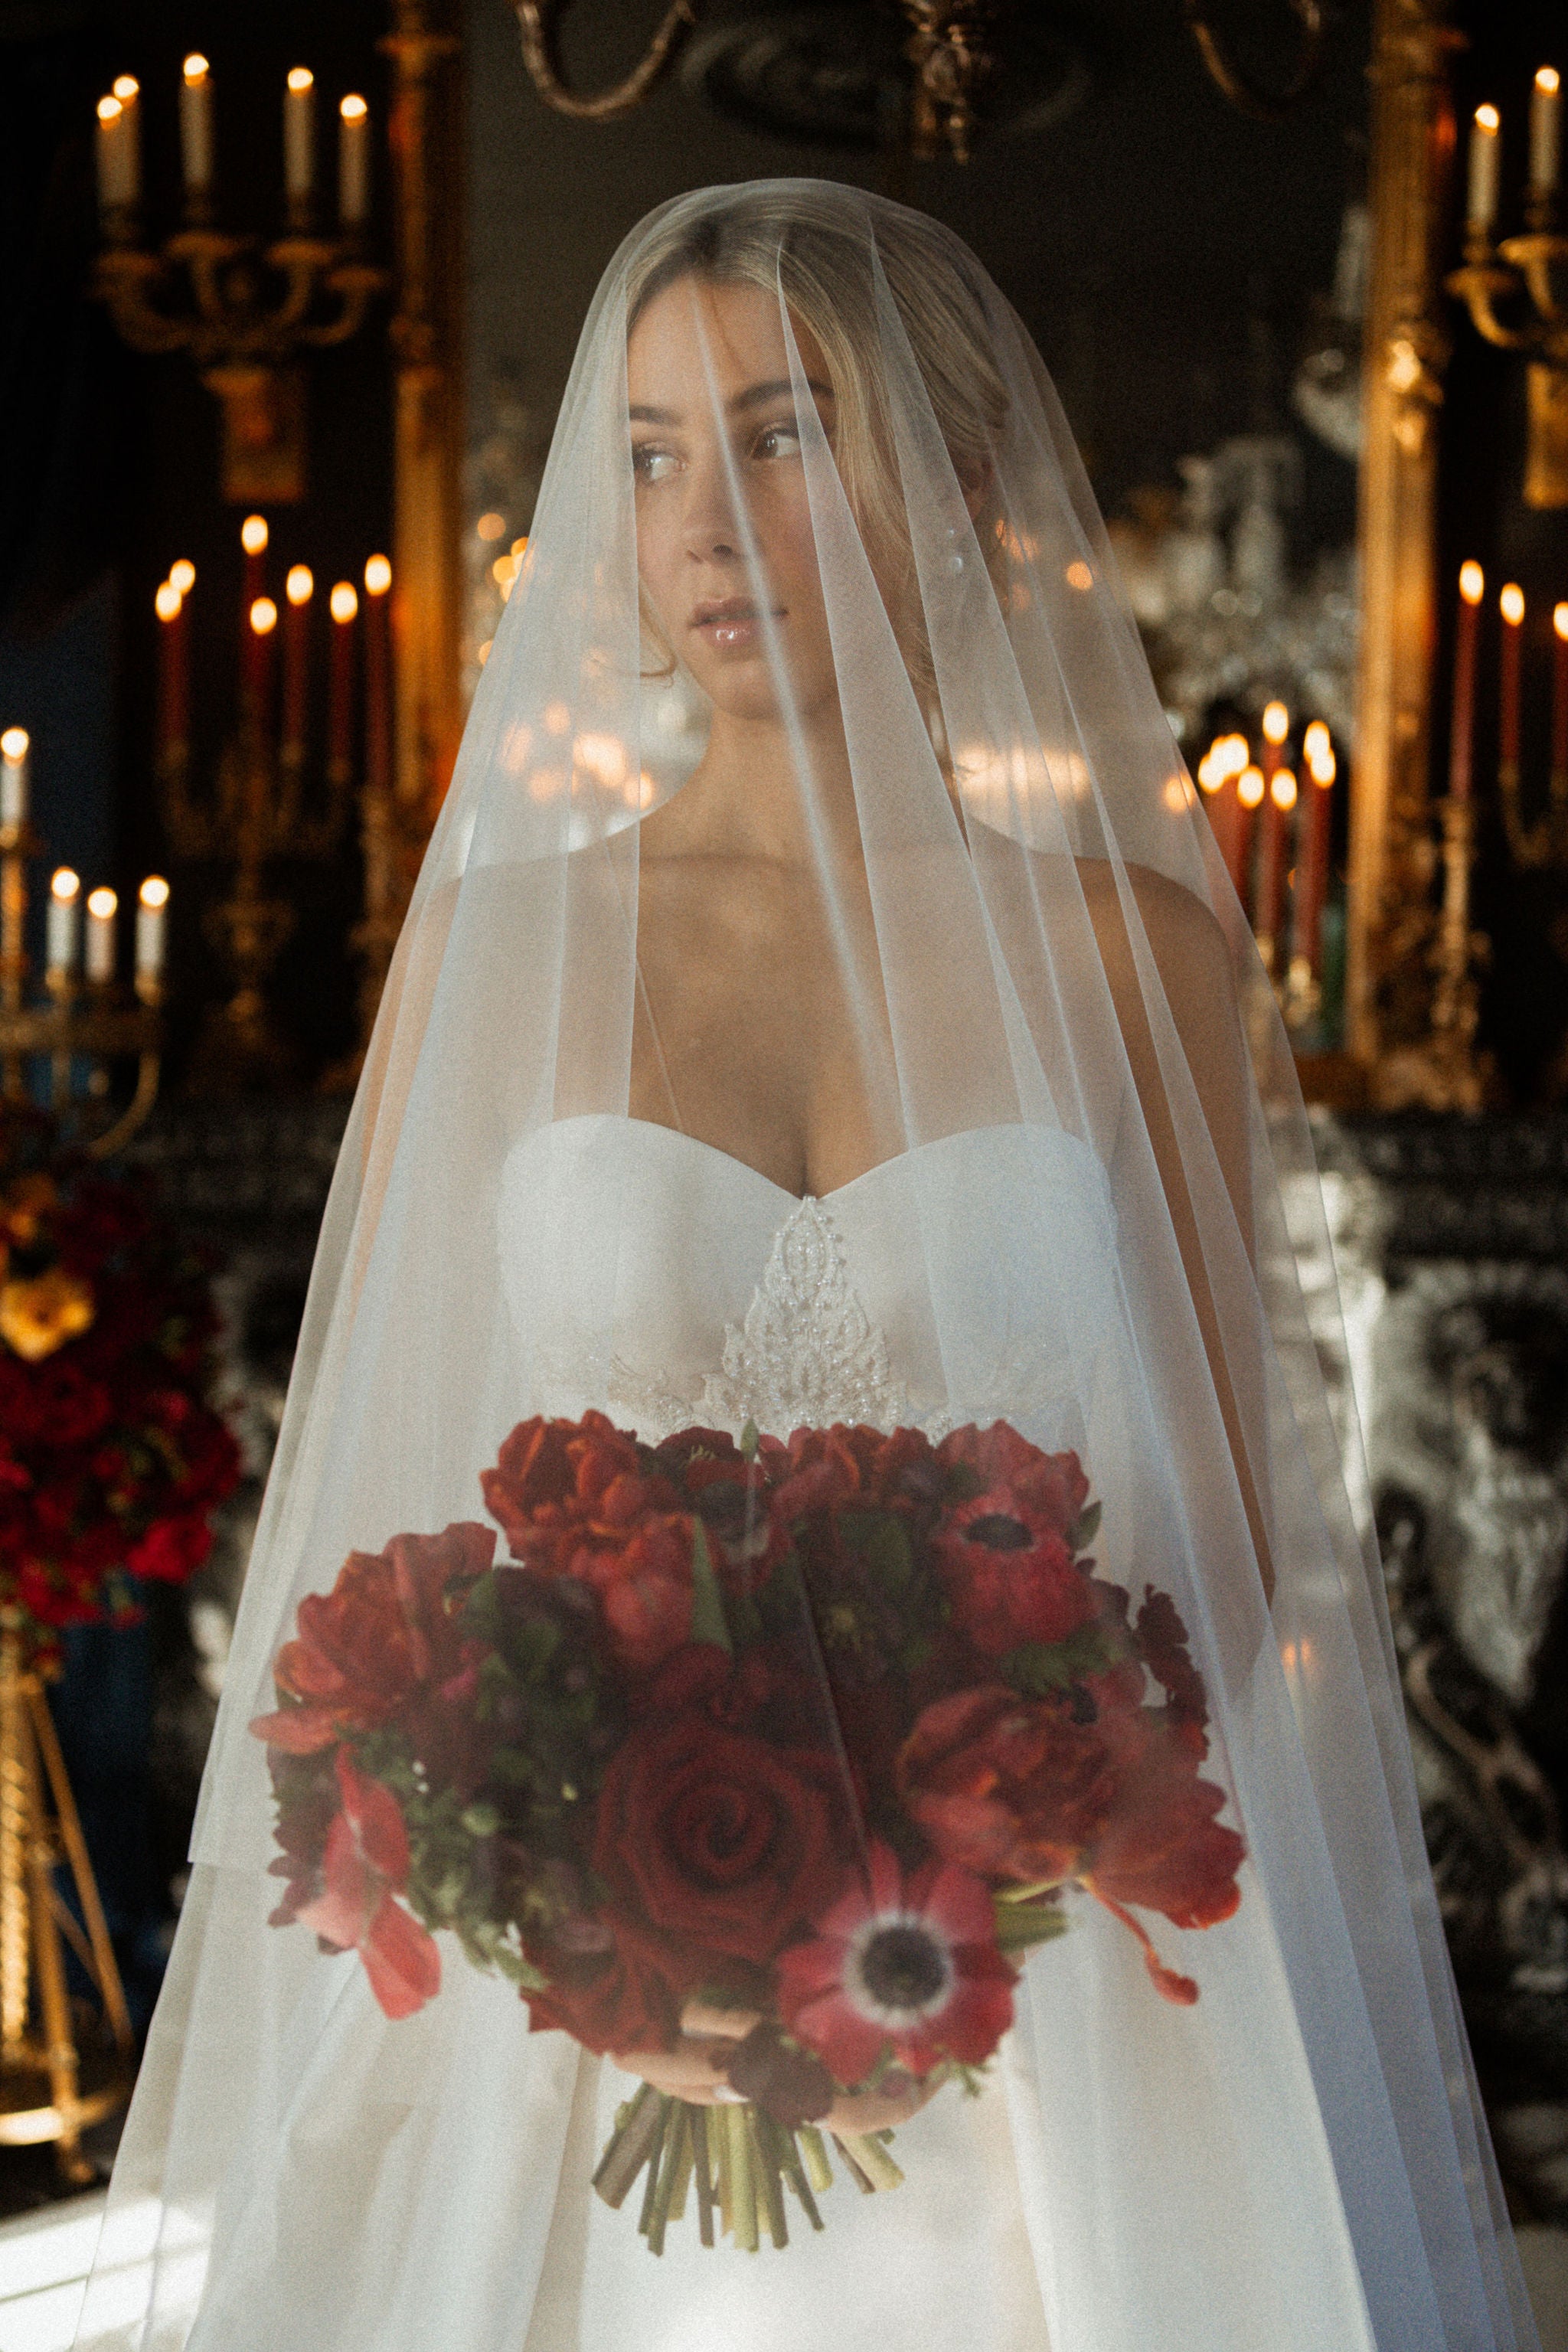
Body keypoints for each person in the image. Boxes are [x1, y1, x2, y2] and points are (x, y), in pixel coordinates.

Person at [74, 181, 1537, 2352]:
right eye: (655, 453)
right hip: (588, 2008)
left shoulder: (1138, 953)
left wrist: (963, 1875)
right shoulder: (500, 942)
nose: (704, 520)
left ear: (951, 484)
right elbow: (381, 1534)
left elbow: (1232, 1549)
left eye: (782, 431)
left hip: (1035, 1993)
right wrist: (601, 1921)